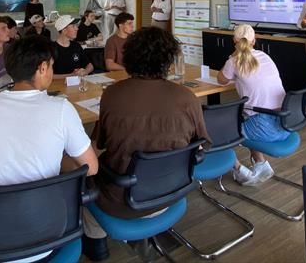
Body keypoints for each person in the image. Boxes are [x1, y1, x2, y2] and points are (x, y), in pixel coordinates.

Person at [0, 35, 99, 263]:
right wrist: (53, 160)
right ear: (42, 68)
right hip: (51, 236)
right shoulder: (61, 109)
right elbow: (91, 168)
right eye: (51, 67)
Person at [82, 27, 211, 261]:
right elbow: (201, 146)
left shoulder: (112, 95)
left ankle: (96, 242)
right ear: (168, 60)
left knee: (82, 175)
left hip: (120, 201)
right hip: (173, 192)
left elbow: (100, 143)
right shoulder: (187, 98)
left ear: (130, 57)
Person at [217, 24, 290, 185]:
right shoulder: (265, 56)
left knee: (218, 130)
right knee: (247, 115)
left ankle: (240, 170)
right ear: (254, 41)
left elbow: (220, 80)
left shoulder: (234, 61)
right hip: (285, 124)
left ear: (234, 41)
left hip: (264, 129)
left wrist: (232, 57)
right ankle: (260, 164)